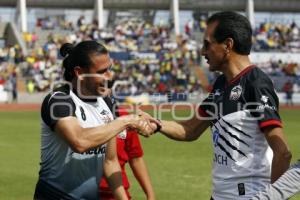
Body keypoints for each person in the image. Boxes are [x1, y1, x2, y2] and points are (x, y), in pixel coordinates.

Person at [140, 11, 292, 200]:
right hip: (220, 195)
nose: (203, 52)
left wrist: (273, 198)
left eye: (207, 44)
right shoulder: (221, 84)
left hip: (249, 195)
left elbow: (283, 152)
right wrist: (157, 124)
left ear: (228, 45)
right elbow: (189, 129)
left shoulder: (256, 83)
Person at [34, 40, 156, 200]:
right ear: (79, 72)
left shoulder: (107, 102)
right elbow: (80, 142)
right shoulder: (59, 100)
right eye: (102, 71)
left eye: (109, 69)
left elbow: (110, 161)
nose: (110, 76)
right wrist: (125, 121)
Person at [99, 97, 156, 200]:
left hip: (117, 193)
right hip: (83, 192)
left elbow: (136, 158)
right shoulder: (77, 115)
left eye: (109, 83)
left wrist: (151, 196)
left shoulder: (126, 118)